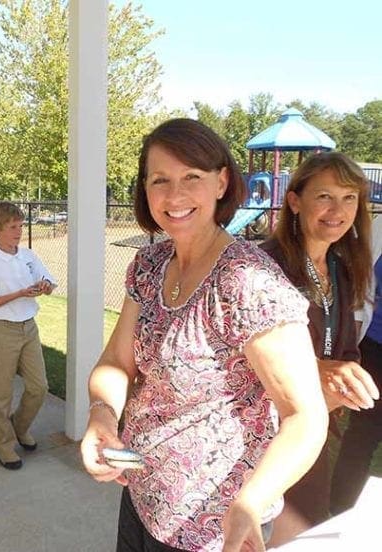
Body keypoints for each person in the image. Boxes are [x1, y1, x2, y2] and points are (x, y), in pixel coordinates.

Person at [80, 119, 329, 552]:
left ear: (222, 182)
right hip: (143, 495)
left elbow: (305, 417)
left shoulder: (247, 281)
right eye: (160, 180)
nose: (175, 196)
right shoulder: (150, 263)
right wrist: (102, 415)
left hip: (213, 528)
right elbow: (117, 363)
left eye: (192, 177)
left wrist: (250, 504)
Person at [259, 152, 378, 544]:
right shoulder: (261, 266)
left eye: (349, 198)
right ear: (295, 201)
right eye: (324, 196)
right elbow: (237, 358)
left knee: (301, 535)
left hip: (312, 436)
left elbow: (345, 351)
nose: (338, 211)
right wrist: (315, 372)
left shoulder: (342, 268)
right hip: (259, 441)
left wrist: (343, 381)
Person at [0, 202, 56, 470]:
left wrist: (45, 286)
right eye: (12, 227)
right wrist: (20, 293)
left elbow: (50, 282)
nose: (18, 231)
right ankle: (3, 446)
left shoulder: (28, 256)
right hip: (2, 331)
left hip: (29, 328)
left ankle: (19, 427)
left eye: (20, 226)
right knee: (2, 394)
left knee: (39, 387)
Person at [330, 213, 382, 514]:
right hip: (375, 349)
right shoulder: (377, 228)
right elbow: (362, 289)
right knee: (362, 437)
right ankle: (339, 518)